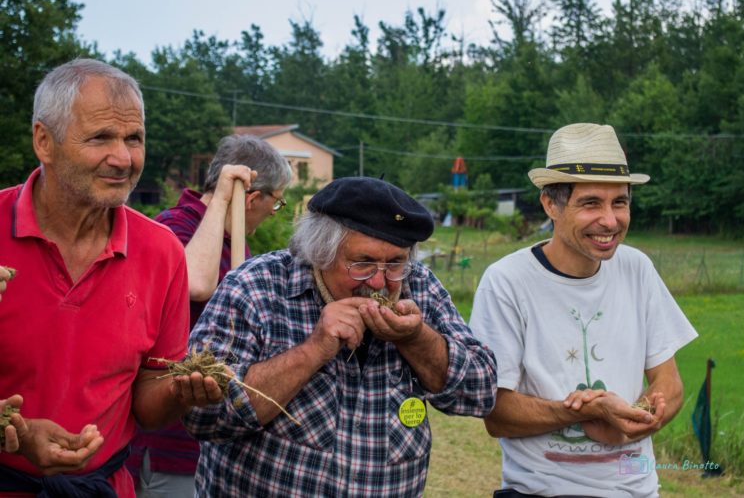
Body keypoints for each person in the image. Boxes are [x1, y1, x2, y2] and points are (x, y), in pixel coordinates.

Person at [182, 176, 498, 496]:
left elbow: (481, 394)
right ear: (320, 253)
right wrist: (313, 350)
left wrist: (416, 339)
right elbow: (203, 417)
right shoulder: (256, 286)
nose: (378, 282)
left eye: (395, 263)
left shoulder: (420, 286)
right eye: (362, 263)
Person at [0, 58, 223, 497]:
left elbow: (148, 404)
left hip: (103, 487)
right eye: (101, 137)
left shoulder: (161, 253)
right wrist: (11, 432)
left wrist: (182, 392)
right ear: (44, 141)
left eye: (133, 138)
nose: (122, 158)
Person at [470, 123, 698, 497]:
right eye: (591, 203)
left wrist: (636, 416)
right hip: (541, 491)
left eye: (619, 202)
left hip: (637, 489)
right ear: (550, 204)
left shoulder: (636, 268)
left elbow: (669, 385)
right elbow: (496, 415)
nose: (610, 221)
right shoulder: (507, 282)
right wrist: (586, 411)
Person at [128, 134, 292, 496]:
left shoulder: (235, 240)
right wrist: (221, 197)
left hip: (214, 439)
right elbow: (194, 285)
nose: (272, 213)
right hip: (170, 443)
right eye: (276, 203)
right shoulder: (172, 226)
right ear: (252, 198)